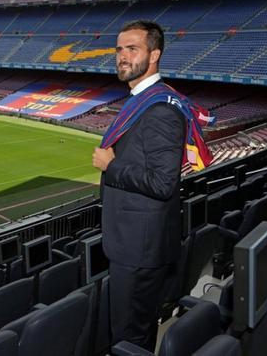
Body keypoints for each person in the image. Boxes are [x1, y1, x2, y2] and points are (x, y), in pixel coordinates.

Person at [92, 20, 214, 351]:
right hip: (137, 243)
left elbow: (163, 183)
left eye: (133, 48)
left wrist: (111, 166)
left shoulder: (159, 110)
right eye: (119, 49)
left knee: (129, 336)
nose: (122, 56)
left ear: (154, 54)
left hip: (138, 249)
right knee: (136, 330)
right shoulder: (146, 100)